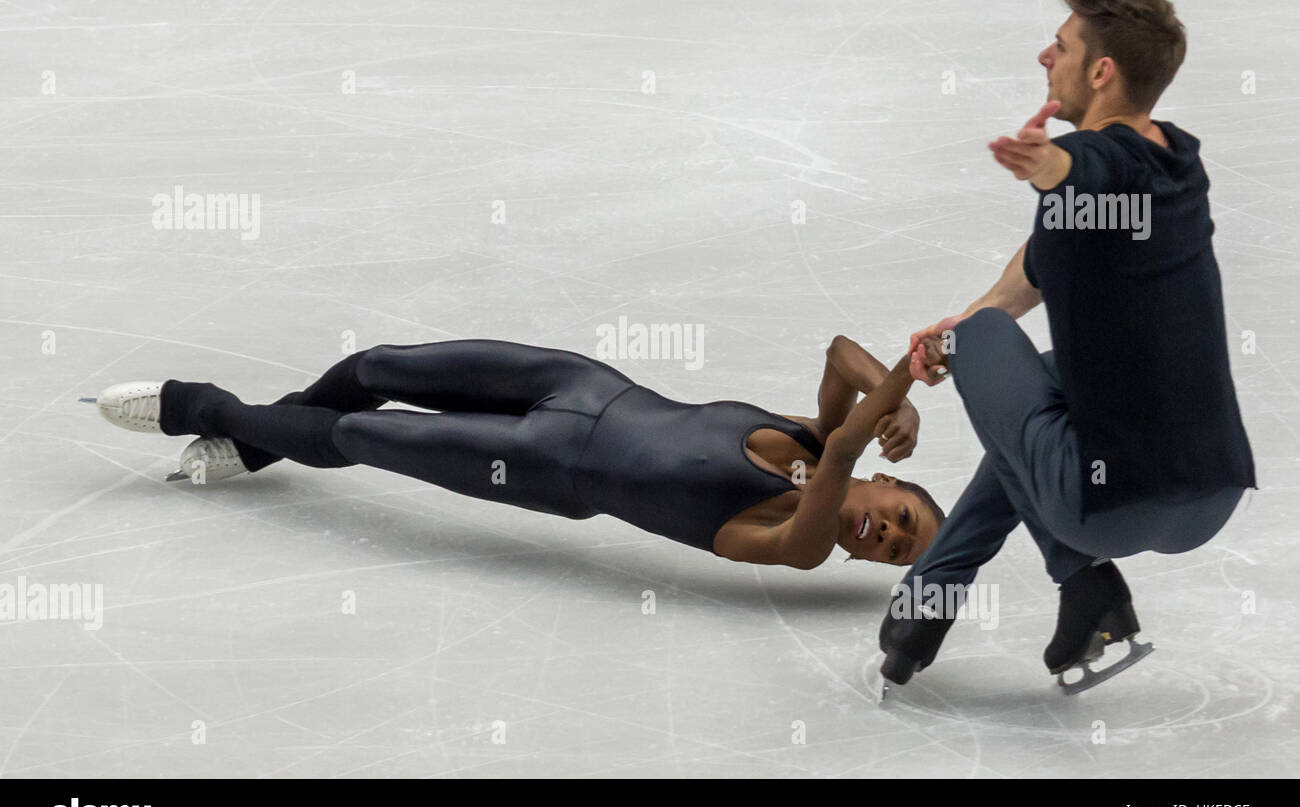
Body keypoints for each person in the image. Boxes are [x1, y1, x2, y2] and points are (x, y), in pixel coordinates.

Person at [879, 0, 1256, 693]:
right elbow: (1046, 256)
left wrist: (1055, 163)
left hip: (1105, 508)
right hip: (1211, 496)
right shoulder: (1181, 167)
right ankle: (928, 605)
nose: (1044, 59)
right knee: (1039, 371)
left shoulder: (1094, 169)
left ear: (1101, 70)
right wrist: (967, 320)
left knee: (987, 344)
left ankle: (1079, 580)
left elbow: (1091, 167)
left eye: (1060, 48)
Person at [88, 334, 947, 570]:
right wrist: (889, 385)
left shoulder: (793, 541)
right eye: (903, 520)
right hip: (581, 384)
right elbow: (840, 354)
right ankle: (262, 445)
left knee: (354, 434)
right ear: (891, 482)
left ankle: (200, 408)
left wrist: (897, 392)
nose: (888, 538)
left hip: (542, 467)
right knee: (374, 367)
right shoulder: (813, 438)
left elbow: (838, 458)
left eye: (895, 554)